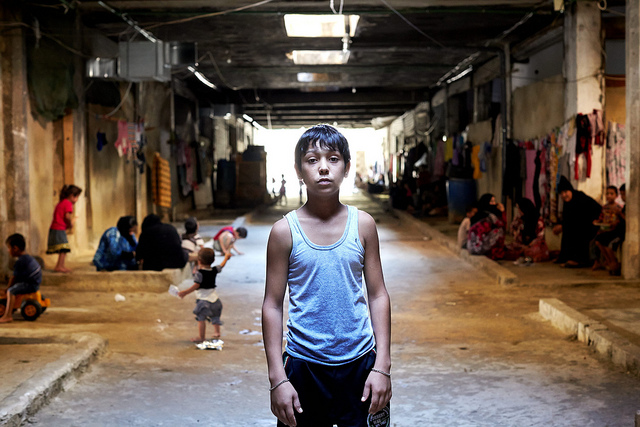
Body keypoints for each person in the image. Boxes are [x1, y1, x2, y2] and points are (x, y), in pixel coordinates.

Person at [262, 124, 392, 427]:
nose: (323, 168)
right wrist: (277, 378)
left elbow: (378, 294)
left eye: (333, 159)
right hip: (303, 366)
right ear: (298, 170)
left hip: (360, 364)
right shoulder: (284, 232)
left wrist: (382, 365)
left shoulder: (363, 225)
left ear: (346, 168)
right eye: (312, 160)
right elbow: (272, 304)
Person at [178, 248, 231, 343]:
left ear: (199, 261)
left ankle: (201, 337)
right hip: (215, 300)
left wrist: (184, 292)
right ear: (213, 260)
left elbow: (196, 285)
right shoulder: (214, 270)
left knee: (201, 319)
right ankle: (217, 332)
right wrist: (226, 257)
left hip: (204, 301)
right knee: (215, 316)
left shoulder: (199, 273)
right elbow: (221, 266)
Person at [552, 176, 601, 268]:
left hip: (589, 225)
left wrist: (563, 226)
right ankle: (565, 257)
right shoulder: (567, 203)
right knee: (568, 231)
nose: (564, 195)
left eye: (566, 192)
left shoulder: (580, 198)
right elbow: (568, 220)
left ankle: (578, 260)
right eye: (561, 193)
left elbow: (582, 218)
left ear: (571, 190)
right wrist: (562, 226)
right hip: (578, 225)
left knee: (577, 231)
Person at [1, 234, 42, 323]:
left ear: (15, 248)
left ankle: (7, 315)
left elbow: (14, 278)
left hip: (30, 285)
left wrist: (7, 289)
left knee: (11, 291)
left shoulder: (20, 261)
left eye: (9, 248)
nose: (8, 251)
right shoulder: (28, 258)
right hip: (35, 283)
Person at [46, 184, 82, 273]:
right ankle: (59, 266)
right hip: (59, 228)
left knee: (63, 248)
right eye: (77, 197)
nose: (77, 200)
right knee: (64, 248)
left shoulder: (62, 202)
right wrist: (70, 223)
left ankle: (60, 265)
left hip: (55, 228)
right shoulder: (68, 204)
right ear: (71, 195)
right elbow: (67, 216)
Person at [505, 198, 549, 263]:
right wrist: (516, 233)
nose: (518, 211)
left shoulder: (537, 219)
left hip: (533, 245)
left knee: (531, 252)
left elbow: (540, 237)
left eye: (519, 208)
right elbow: (512, 228)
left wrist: (528, 246)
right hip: (521, 244)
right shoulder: (519, 218)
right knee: (507, 248)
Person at [591, 185, 624, 272]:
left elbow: (620, 221)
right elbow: (601, 218)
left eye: (611, 194)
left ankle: (613, 263)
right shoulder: (605, 207)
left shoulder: (619, 208)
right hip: (605, 230)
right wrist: (597, 221)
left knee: (605, 243)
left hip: (613, 231)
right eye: (607, 194)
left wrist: (616, 220)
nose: (609, 195)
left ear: (616, 196)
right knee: (596, 241)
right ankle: (607, 261)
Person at [467, 193, 506, 260]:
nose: (494, 203)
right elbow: (503, 226)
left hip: (471, 247)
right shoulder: (489, 216)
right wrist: (502, 212)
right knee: (499, 231)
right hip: (480, 248)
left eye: (494, 201)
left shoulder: (478, 214)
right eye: (491, 201)